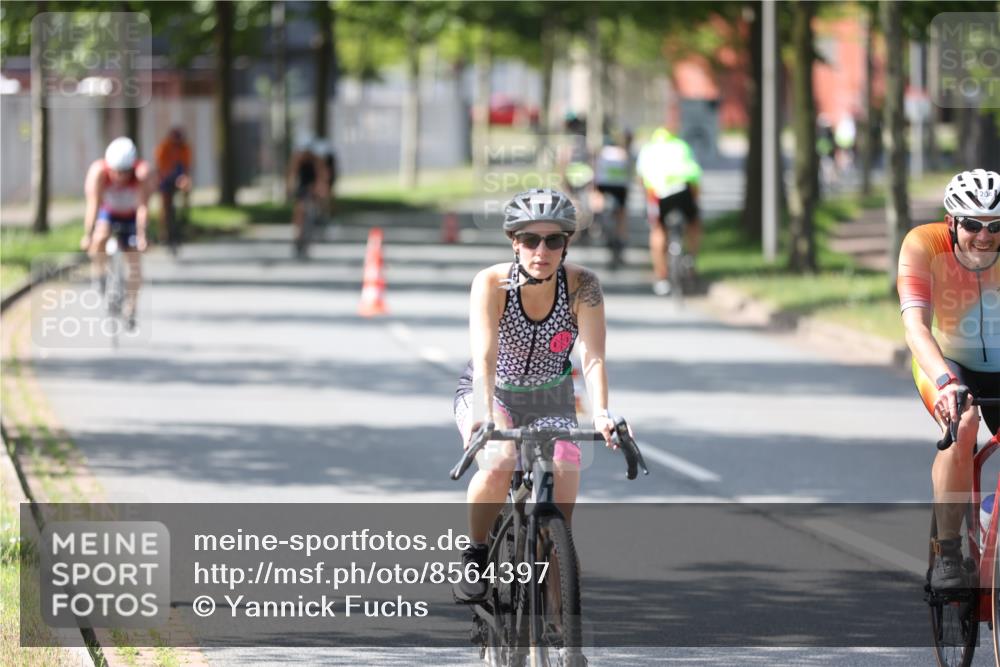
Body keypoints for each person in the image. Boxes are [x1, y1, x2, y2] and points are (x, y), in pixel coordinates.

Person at [452, 188, 621, 603]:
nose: (540, 250)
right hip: (493, 393)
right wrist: (485, 415)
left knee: (565, 467)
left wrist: (602, 413)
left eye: (553, 240)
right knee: (501, 461)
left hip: (551, 397)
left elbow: (594, 357)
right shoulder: (491, 283)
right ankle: (475, 553)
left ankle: (565, 637)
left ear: (566, 243)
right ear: (514, 241)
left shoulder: (584, 286)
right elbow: (485, 356)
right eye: (530, 239)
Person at [899, 169, 1000, 592]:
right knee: (963, 427)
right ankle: (948, 552)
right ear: (951, 222)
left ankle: (992, 509)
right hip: (945, 362)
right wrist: (944, 381)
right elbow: (916, 327)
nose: (985, 236)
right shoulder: (923, 245)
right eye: (973, 224)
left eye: (996, 226)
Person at [80, 137, 151, 330]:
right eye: (116, 172)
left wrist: (143, 235)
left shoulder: (142, 174)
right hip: (108, 212)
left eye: (125, 172)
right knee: (99, 237)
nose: (120, 177)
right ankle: (99, 274)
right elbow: (93, 205)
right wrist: (88, 234)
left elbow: (143, 207)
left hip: (130, 216)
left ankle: (131, 309)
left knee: (135, 264)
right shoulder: (98, 173)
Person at [635, 127, 702, 296]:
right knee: (694, 222)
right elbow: (695, 174)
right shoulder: (682, 146)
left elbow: (642, 179)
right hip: (684, 189)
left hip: (659, 192)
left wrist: (647, 200)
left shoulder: (648, 149)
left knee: (658, 230)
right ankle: (691, 258)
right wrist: (695, 199)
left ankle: (662, 277)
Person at [592, 132, 633, 269]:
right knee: (621, 215)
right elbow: (629, 172)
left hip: (604, 185)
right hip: (620, 186)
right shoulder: (622, 152)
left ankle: (597, 224)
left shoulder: (602, 152)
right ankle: (621, 238)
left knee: (597, 200)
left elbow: (596, 171)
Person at [286, 137, 330, 257]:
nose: (306, 155)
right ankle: (297, 234)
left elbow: (321, 175)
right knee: (299, 209)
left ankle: (319, 217)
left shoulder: (316, 159)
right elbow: (292, 173)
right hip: (302, 185)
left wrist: (321, 189)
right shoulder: (298, 158)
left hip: (313, 184)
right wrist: (289, 188)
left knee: (316, 202)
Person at [154, 127, 193, 248]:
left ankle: (185, 216)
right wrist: (167, 177)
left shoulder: (185, 148)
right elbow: (160, 166)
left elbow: (186, 167)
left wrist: (184, 179)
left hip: (179, 176)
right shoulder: (164, 147)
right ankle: (163, 233)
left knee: (187, 187)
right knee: (165, 205)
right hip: (165, 177)